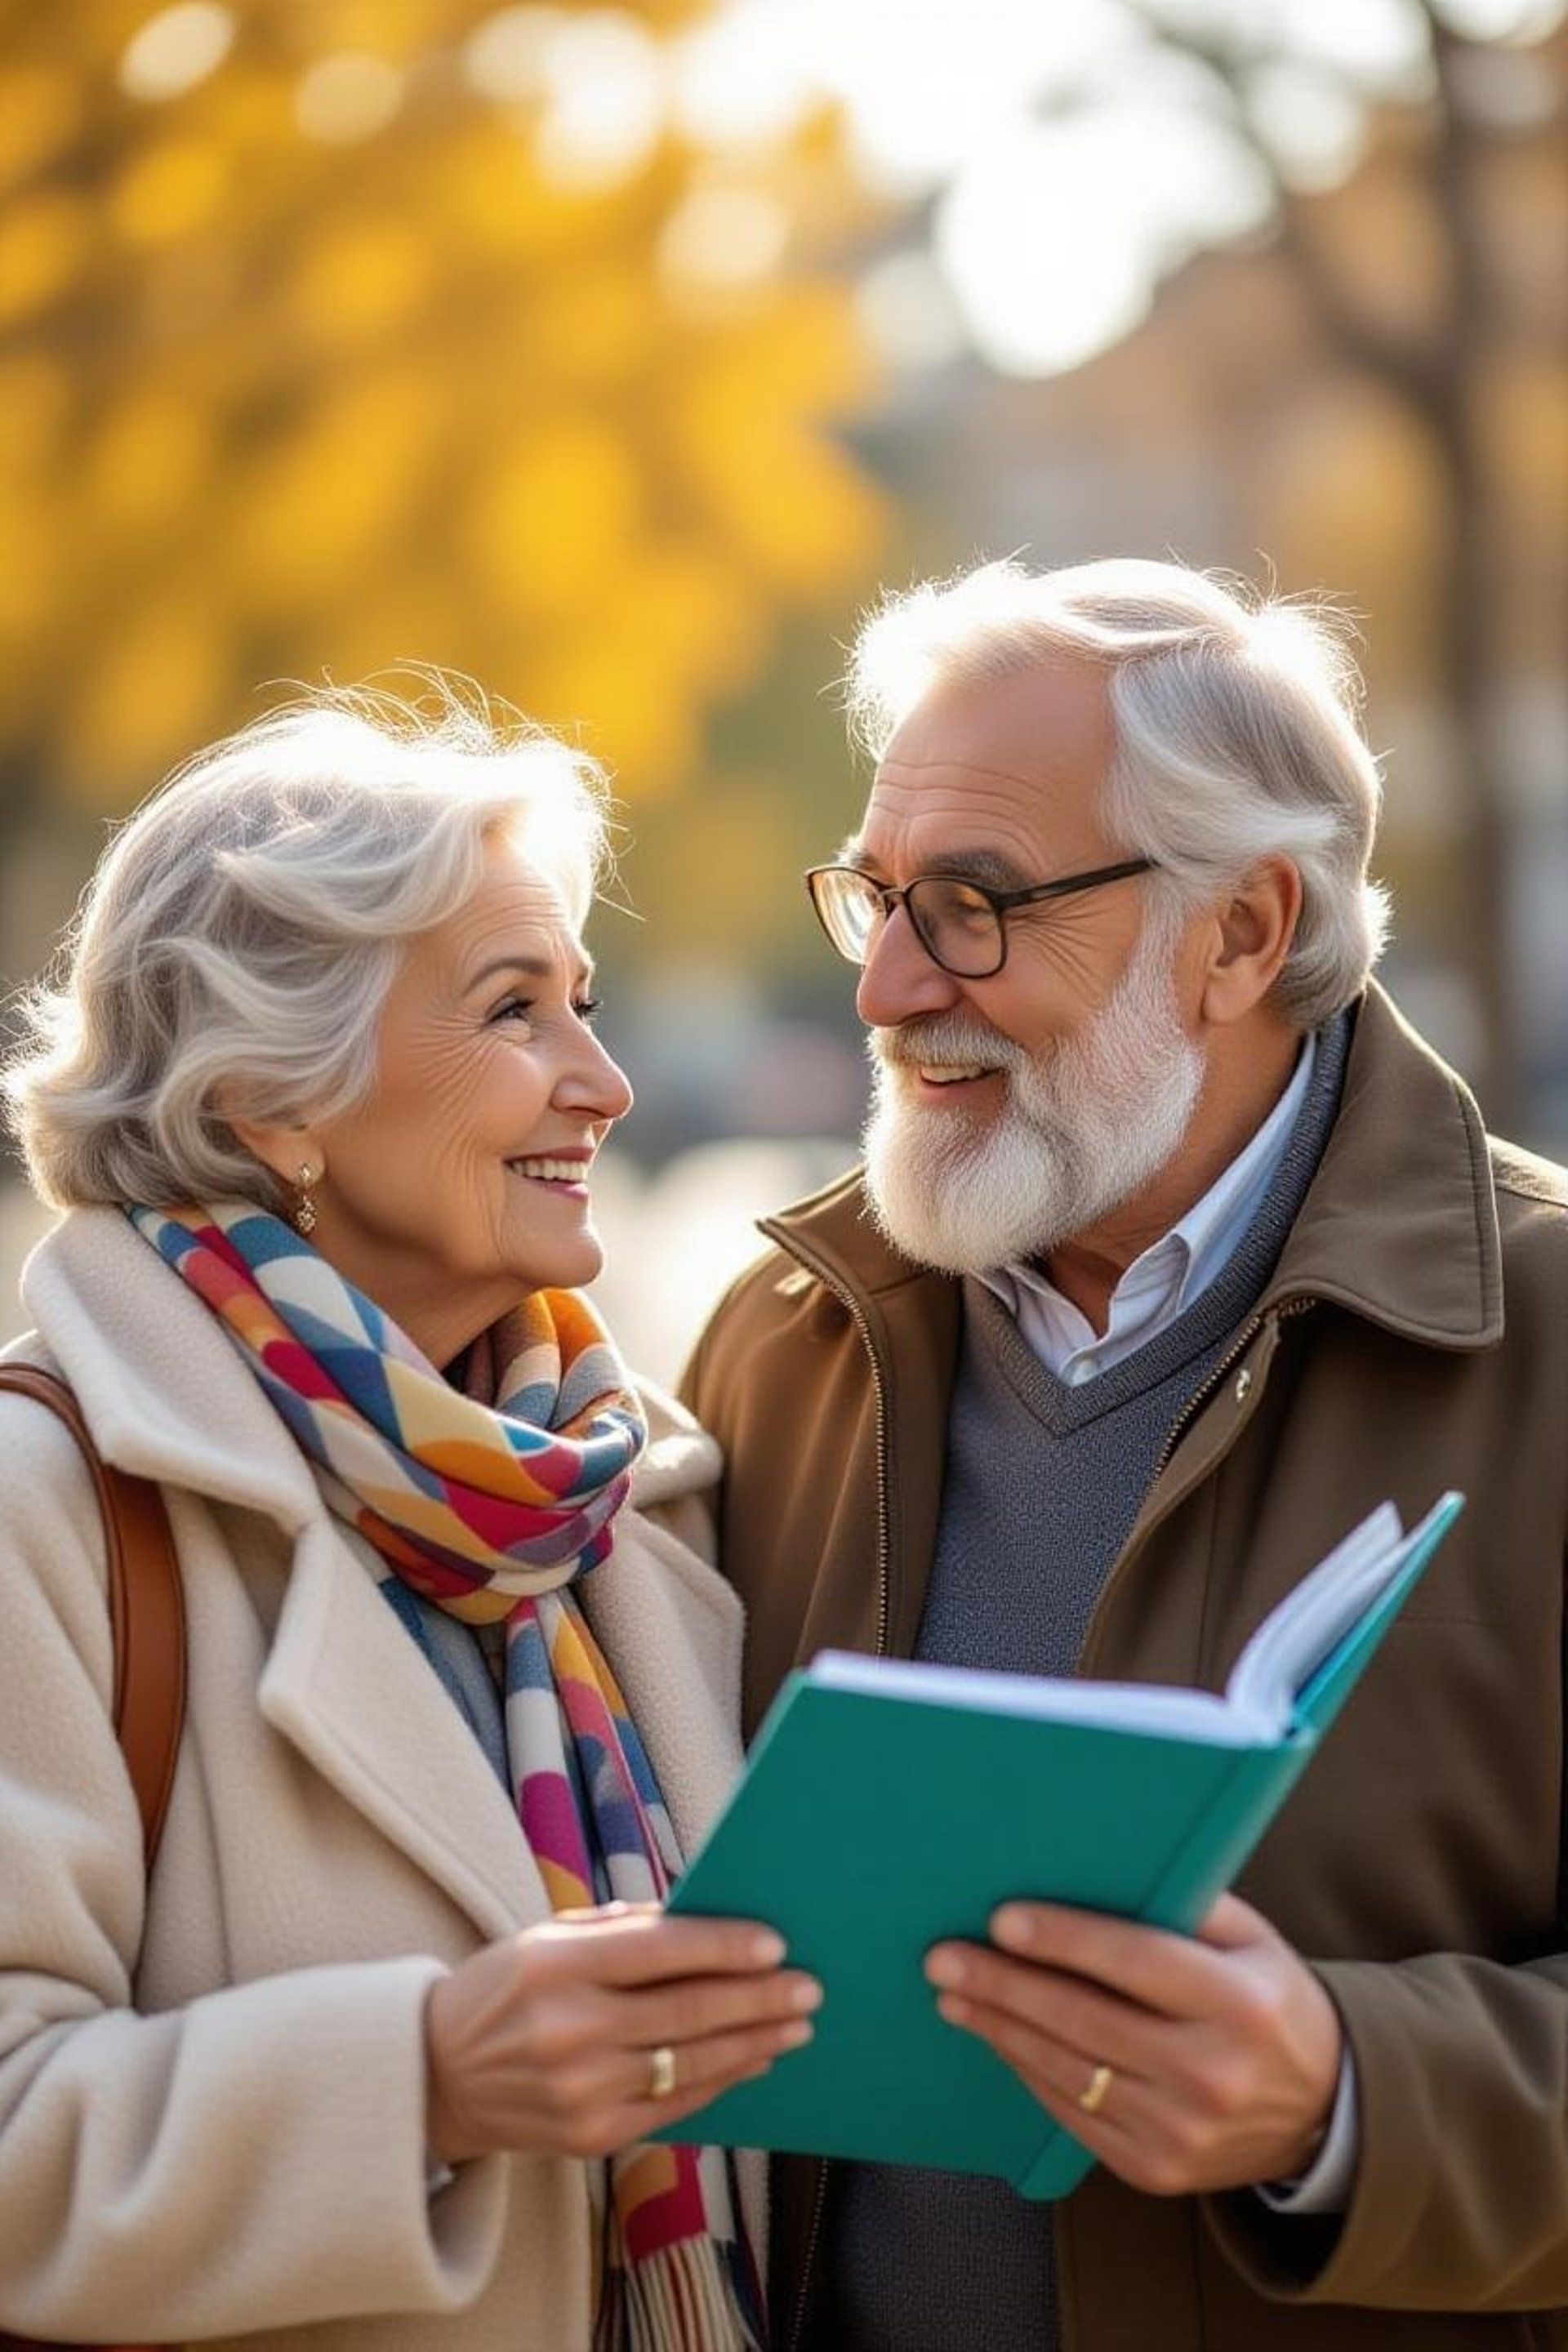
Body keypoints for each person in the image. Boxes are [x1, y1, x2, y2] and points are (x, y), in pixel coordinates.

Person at [682, 557, 1568, 2352]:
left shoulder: (1546, 1343)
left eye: (977, 906)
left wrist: (1345, 2097)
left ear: (1241, 931)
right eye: (878, 898)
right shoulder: (783, 1340)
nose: (891, 988)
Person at [0, 685, 822, 2351]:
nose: (604, 1081)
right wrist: (429, 2076)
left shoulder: (626, 1496)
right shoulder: (48, 1506)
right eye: (516, 1012)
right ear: (269, 1103)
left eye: (584, 1004)